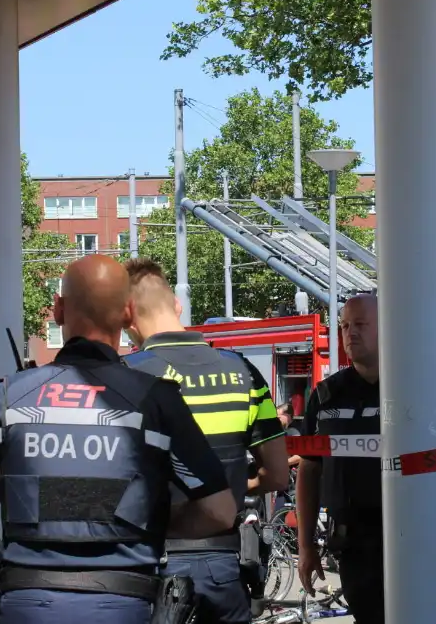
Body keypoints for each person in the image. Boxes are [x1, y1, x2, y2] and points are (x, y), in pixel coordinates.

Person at [0, 255, 237, 624]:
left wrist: (10, 489)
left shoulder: (10, 396)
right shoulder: (157, 400)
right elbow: (220, 512)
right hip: (124, 605)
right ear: (128, 313)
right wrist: (144, 517)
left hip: (27, 605)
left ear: (57, 311)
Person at [120, 257, 289, 623]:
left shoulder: (125, 377)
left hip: (150, 565)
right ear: (177, 306)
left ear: (127, 313)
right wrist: (229, 488)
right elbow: (277, 475)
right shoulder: (242, 370)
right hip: (222, 566)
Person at [297, 294, 436, 623]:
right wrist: (306, 545)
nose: (351, 333)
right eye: (345, 325)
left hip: (419, 541)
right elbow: (309, 472)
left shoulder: (427, 389)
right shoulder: (325, 397)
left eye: (361, 325)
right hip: (354, 546)